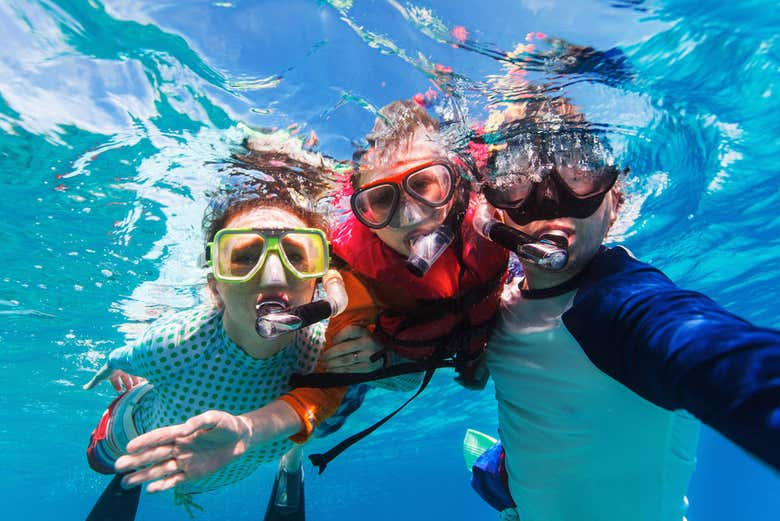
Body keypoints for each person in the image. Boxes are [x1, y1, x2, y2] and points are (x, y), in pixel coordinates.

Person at [110, 99, 511, 489]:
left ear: (454, 179)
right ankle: (293, 446)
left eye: (424, 184)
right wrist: (250, 430)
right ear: (362, 216)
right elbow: (321, 392)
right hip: (381, 362)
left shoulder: (502, 221)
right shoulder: (352, 279)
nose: (411, 216)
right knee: (334, 410)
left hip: (457, 351)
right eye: (382, 200)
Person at [469, 99, 780, 521]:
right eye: (519, 180)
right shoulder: (499, 301)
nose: (550, 199)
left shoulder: (619, 305)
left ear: (615, 199)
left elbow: (716, 356)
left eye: (578, 173)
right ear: (497, 207)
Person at [82, 131, 343, 520]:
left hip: (253, 448)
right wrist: (119, 362)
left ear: (318, 281)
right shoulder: (178, 341)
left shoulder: (328, 348)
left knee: (326, 417)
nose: (273, 276)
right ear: (214, 285)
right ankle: (134, 450)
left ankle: (291, 453)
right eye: (244, 257)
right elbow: (128, 354)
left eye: (295, 256)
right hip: (144, 432)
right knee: (99, 461)